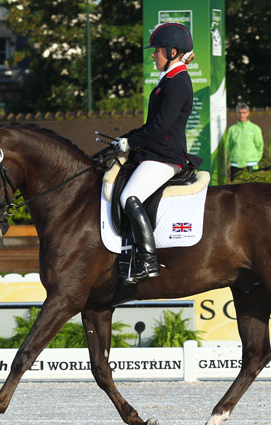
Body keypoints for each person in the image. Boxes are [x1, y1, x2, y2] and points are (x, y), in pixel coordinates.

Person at [112, 22, 195, 283]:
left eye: (157, 50)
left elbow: (160, 127)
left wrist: (132, 143)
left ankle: (148, 260)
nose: (153, 55)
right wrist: (125, 138)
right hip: (156, 151)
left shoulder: (177, 82)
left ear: (172, 52)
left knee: (129, 196)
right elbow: (151, 125)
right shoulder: (169, 79)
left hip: (165, 155)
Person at [226, 103, 263, 181]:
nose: (242, 115)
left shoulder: (255, 128)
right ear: (237, 114)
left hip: (252, 163)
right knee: (235, 188)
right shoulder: (232, 129)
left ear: (248, 113)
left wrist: (255, 159)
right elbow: (228, 146)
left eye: (244, 112)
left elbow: (260, 146)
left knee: (253, 188)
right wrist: (233, 156)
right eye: (239, 113)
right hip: (235, 163)